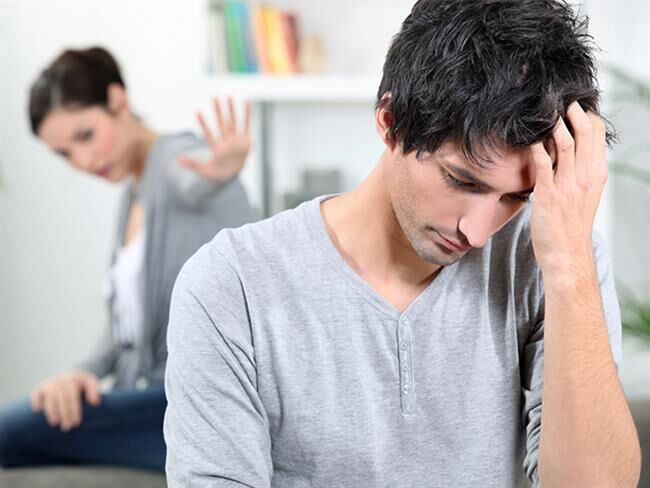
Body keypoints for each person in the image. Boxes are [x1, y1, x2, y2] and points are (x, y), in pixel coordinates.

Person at [163, 0, 642, 486]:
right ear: (390, 122)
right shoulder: (233, 284)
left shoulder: (556, 256)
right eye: (463, 181)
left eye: (516, 197)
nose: (477, 233)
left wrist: (569, 268)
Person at [0, 47, 257, 471]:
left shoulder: (172, 160)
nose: (83, 161)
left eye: (85, 136)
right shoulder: (133, 193)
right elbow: (123, 329)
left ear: (117, 100)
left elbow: (191, 176)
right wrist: (80, 373)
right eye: (65, 153)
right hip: (144, 394)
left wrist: (218, 171)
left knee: (9, 434)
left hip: (189, 400)